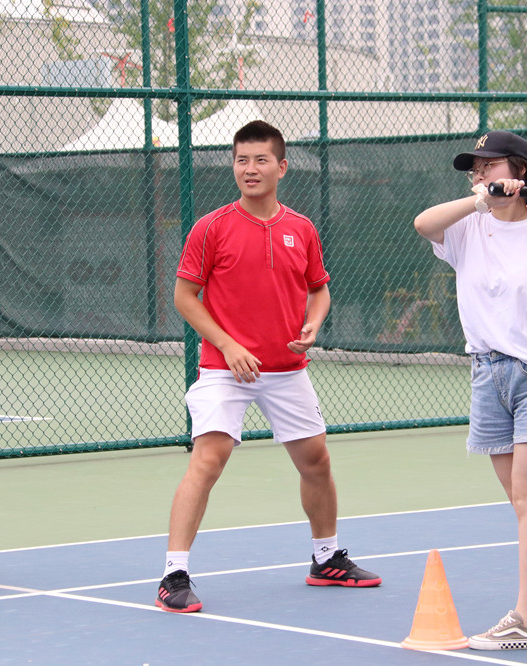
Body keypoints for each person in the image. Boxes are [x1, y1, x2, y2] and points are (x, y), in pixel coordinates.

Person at [155, 120, 381, 613]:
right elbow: (184, 296)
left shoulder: (302, 229)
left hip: (287, 369)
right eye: (242, 160)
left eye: (260, 160)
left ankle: (326, 558)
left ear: (282, 167)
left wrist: (313, 324)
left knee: (316, 462)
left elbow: (319, 289)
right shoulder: (210, 228)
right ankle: (173, 574)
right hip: (225, 368)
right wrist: (228, 345)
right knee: (208, 459)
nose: (250, 169)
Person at [413, 130, 527, 650]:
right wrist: (480, 200)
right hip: (487, 375)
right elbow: (423, 223)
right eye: (474, 169)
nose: (478, 174)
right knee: (525, 500)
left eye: (488, 166)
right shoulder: (467, 226)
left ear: (518, 171)